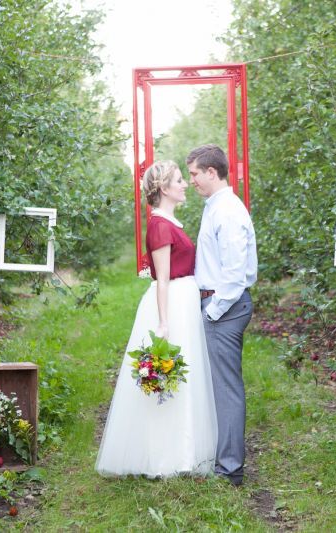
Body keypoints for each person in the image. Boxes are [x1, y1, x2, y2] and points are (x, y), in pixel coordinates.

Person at [95, 160, 217, 478]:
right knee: (171, 379)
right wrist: (164, 323)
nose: (185, 184)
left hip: (183, 300)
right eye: (179, 180)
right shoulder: (160, 225)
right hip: (172, 304)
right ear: (164, 188)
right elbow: (162, 278)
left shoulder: (170, 221)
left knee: (184, 380)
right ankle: (168, 457)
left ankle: (186, 452)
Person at [187, 144, 257, 486]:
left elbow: (235, 272)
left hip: (224, 308)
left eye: (195, 174)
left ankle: (230, 471)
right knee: (218, 388)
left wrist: (211, 312)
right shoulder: (215, 206)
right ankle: (219, 459)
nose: (191, 181)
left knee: (227, 389)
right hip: (217, 305)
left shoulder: (227, 210)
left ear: (212, 172)